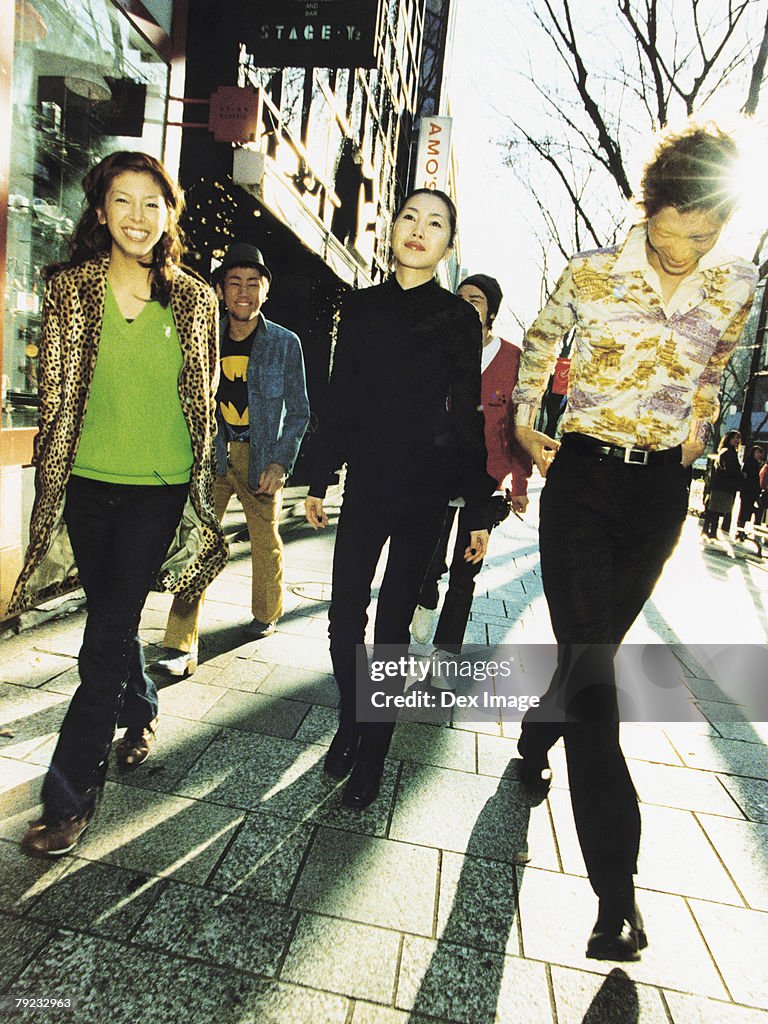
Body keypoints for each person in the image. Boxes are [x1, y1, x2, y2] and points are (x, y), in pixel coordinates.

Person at [511, 126, 758, 961]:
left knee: (592, 655)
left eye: (711, 233)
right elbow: (541, 343)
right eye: (682, 231)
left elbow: (718, 363)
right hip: (580, 481)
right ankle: (617, 897)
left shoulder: (737, 282)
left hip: (658, 494)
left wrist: (703, 417)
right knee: (595, 681)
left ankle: (534, 733)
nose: (695, 249)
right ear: (649, 210)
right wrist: (521, 413)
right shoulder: (590, 271)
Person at [10, 151, 227, 857]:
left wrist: (209, 493)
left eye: (152, 203)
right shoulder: (68, 289)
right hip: (84, 486)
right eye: (123, 202)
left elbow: (202, 407)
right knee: (112, 621)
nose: (138, 217)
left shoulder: (196, 300)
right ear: (100, 211)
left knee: (100, 641)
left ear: (170, 215)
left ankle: (69, 798)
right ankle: (141, 707)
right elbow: (57, 394)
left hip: (157, 492)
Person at [305, 188, 491, 810]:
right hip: (367, 483)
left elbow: (465, 414)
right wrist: (321, 473)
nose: (419, 229)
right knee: (342, 618)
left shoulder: (459, 319)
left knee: (390, 630)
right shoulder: (357, 308)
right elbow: (341, 395)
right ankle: (353, 720)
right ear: (393, 228)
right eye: (410, 217)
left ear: (448, 244)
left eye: (436, 223)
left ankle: (372, 758)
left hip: (426, 492)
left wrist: (479, 506)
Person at [154, 242, 310, 677]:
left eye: (253, 284)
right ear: (221, 291)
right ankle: (179, 644)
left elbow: (299, 412)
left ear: (266, 292)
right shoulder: (203, 337)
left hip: (260, 458)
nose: (243, 292)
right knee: (197, 544)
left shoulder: (285, 344)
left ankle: (266, 612)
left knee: (266, 543)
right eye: (234, 283)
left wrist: (281, 462)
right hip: (212, 455)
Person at [411, 273, 531, 659]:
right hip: (437, 475)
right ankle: (424, 603)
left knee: (466, 574)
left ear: (491, 312)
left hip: (486, 481)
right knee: (427, 562)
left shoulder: (512, 360)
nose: (465, 304)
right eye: (459, 297)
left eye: (475, 299)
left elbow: (519, 426)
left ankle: (447, 652)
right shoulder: (436, 350)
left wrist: (521, 483)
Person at [702, 430, 742, 539]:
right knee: (716, 509)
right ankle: (710, 531)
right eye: (734, 438)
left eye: (738, 438)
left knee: (715, 509)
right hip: (723, 485)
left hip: (722, 485)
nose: (736, 440)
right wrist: (741, 475)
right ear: (728, 439)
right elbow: (730, 469)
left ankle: (709, 530)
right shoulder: (729, 452)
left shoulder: (727, 451)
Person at [735, 443, 764, 540]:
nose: (759, 454)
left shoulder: (753, 463)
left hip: (749, 491)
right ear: (753, 453)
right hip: (749, 491)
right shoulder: (752, 463)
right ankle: (740, 530)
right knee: (745, 511)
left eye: (760, 453)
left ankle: (740, 530)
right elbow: (753, 478)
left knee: (745, 511)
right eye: (758, 452)